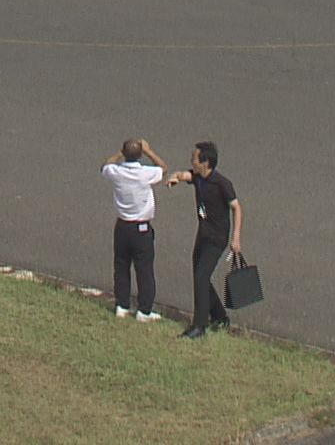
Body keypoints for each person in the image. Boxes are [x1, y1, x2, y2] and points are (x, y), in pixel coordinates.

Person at [165, 140, 241, 339]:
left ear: (206, 163)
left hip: (217, 239)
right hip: (203, 235)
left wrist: (236, 238)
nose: (192, 162)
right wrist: (175, 177)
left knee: (200, 277)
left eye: (195, 159)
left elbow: (237, 208)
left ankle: (199, 326)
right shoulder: (199, 178)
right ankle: (220, 317)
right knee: (201, 277)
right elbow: (185, 175)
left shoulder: (222, 184)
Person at [101, 138, 167, 322]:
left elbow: (105, 165)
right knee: (144, 269)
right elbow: (163, 168)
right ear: (139, 154)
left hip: (122, 226)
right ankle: (144, 310)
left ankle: (122, 305)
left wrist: (119, 153)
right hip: (141, 228)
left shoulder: (115, 171)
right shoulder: (145, 173)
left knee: (121, 266)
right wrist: (149, 151)